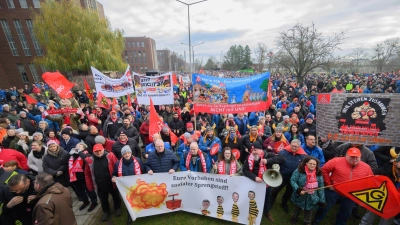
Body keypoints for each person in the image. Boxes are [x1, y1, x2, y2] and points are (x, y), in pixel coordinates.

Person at [312, 148, 374, 225]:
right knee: (324, 207)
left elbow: (370, 180)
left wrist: (361, 192)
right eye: (352, 157)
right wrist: (328, 184)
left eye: (356, 157)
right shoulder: (336, 161)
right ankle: (316, 220)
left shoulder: (366, 167)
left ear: (360, 157)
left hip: (351, 195)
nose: (354, 159)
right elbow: (324, 170)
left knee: (346, 213)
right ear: (346, 156)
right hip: (334, 191)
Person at [242, 142, 285, 222]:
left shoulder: (268, 155)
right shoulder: (249, 157)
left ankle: (266, 212)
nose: (254, 152)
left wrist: (268, 161)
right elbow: (245, 170)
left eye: (255, 150)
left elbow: (282, 159)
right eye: (252, 150)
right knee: (252, 197)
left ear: (260, 149)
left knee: (266, 197)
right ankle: (250, 211)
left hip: (266, 182)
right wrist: (254, 177)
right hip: (253, 181)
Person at [84, 144, 121, 221]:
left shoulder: (110, 156)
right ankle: (106, 211)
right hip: (99, 184)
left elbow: (117, 167)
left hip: (111, 182)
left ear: (103, 149)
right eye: (96, 151)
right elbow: (87, 174)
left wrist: (118, 178)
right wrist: (90, 185)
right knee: (103, 199)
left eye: (100, 150)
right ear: (93, 152)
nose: (98, 153)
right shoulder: (90, 160)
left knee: (116, 196)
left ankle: (117, 208)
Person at [359, 156, 400, 225]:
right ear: (395, 163)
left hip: (393, 203)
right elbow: (369, 182)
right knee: (367, 220)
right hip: (377, 199)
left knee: (386, 223)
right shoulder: (382, 171)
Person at [270, 139, 307, 213]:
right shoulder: (283, 152)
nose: (293, 148)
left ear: (299, 147)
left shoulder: (303, 156)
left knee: (289, 192)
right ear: (290, 144)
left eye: (295, 147)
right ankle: (271, 202)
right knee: (276, 189)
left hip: (293, 179)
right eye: (292, 146)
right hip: (282, 176)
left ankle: (284, 203)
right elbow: (276, 162)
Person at [111, 145, 144, 225]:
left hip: (137, 185)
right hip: (125, 187)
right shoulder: (118, 164)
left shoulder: (138, 160)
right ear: (122, 155)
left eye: (128, 153)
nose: (127, 155)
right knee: (128, 202)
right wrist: (113, 177)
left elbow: (143, 171)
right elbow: (114, 174)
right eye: (125, 153)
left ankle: (140, 213)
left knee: (139, 200)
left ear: (131, 153)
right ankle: (130, 216)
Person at [290, 156, 325, 225]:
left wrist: (322, 200)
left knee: (309, 211)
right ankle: (295, 217)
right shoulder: (299, 170)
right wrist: (298, 189)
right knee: (297, 208)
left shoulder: (318, 173)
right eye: (310, 163)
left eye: (314, 164)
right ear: (306, 163)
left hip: (311, 197)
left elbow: (321, 187)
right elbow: (293, 180)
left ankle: (307, 222)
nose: (312, 165)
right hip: (300, 195)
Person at [68, 143, 98, 212]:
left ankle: (94, 202)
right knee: (80, 191)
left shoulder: (86, 154)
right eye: (77, 146)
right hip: (75, 177)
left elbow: (86, 159)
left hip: (84, 176)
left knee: (89, 190)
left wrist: (79, 152)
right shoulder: (72, 155)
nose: (77, 147)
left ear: (84, 148)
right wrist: (69, 154)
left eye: (80, 146)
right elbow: (63, 161)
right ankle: (85, 201)